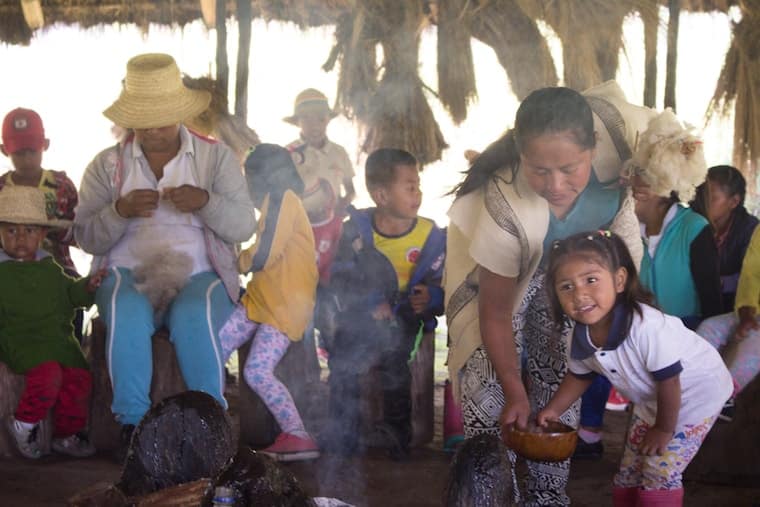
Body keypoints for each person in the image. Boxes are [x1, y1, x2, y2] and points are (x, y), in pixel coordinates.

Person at [445, 84, 646, 506]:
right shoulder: (504, 201)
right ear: (520, 155)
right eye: (539, 170)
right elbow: (496, 312)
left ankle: (548, 497)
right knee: (489, 385)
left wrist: (651, 177)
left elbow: (674, 150)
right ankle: (491, 496)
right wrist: (515, 390)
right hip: (496, 293)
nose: (555, 184)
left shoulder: (622, 150)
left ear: (594, 149)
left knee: (558, 374)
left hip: (564, 280)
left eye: (570, 168)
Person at [73, 53, 256, 455]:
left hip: (201, 273)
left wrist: (205, 201)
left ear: (180, 112)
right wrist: (119, 212)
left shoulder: (216, 158)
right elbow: (86, 237)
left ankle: (210, 424)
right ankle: (134, 428)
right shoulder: (106, 166)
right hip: (126, 272)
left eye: (162, 117)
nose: (153, 128)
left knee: (195, 316)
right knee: (125, 311)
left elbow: (244, 226)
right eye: (144, 119)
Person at [537, 231, 732, 507]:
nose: (580, 294)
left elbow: (670, 381)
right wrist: (554, 409)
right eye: (566, 287)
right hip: (654, 398)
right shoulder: (579, 335)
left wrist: (664, 429)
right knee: (629, 470)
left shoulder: (645, 327)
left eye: (591, 280)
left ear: (619, 280)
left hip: (697, 393)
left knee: (658, 471)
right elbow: (580, 376)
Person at [326, 148, 445, 460]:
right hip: (362, 312)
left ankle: (397, 431)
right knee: (343, 358)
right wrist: (369, 303)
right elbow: (340, 276)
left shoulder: (430, 235)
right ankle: (344, 431)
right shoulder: (356, 230)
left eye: (417, 185)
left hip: (406, 313)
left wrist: (432, 298)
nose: (417, 193)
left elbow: (445, 280)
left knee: (395, 359)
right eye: (409, 186)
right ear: (381, 195)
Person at [218, 143, 319, 461]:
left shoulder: (282, 199)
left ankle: (298, 434)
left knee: (257, 371)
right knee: (216, 344)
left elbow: (264, 254)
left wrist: (236, 261)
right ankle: (210, 412)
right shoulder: (274, 203)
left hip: (284, 305)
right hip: (263, 298)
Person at [0, 186, 106, 459]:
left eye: (30, 231)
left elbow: (71, 295)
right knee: (48, 376)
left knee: (79, 378)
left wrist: (89, 286)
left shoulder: (50, 268)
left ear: (43, 235)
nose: (21, 238)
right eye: (11, 231)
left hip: (57, 341)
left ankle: (65, 434)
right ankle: (24, 423)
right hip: (20, 340)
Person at [624, 109, 722, 329]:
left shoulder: (694, 228)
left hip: (689, 333)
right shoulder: (625, 231)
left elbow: (712, 300)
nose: (633, 183)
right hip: (640, 335)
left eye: (641, 176)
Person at [0, 108, 84, 340]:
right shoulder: (1, 189)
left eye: (32, 151)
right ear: (4, 150)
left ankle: (72, 354)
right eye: (19, 153)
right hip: (8, 267)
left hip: (58, 266)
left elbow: (83, 235)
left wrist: (54, 229)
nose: (26, 160)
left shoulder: (61, 185)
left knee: (72, 299)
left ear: (45, 145)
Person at [697, 226, 760, 421]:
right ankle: (693, 387)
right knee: (708, 328)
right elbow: (750, 274)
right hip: (754, 311)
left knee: (753, 342)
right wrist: (746, 312)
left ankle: (725, 397)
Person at [691, 165, 758, 313]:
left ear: (734, 202)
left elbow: (750, 277)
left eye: (712, 198)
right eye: (702, 196)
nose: (704, 202)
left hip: (737, 309)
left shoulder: (750, 230)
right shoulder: (692, 223)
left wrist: (718, 282)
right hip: (699, 302)